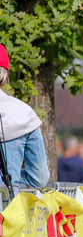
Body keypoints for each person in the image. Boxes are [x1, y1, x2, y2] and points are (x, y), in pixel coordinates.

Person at [0, 43, 49, 188]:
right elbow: (39, 177)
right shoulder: (23, 113)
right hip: (6, 203)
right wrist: (11, 179)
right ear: (6, 74)